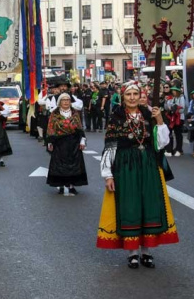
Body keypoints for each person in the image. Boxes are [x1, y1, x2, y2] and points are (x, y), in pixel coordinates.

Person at [96, 82, 178, 269]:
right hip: (126, 167)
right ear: (123, 97)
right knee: (130, 206)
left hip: (148, 165)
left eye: (135, 94)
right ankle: (132, 252)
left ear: (140, 95)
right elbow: (110, 146)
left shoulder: (150, 114)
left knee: (148, 205)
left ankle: (146, 251)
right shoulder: (116, 117)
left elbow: (162, 143)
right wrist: (108, 175)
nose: (132, 97)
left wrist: (159, 120)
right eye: (128, 94)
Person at [46, 93, 87, 195]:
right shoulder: (54, 114)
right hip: (59, 142)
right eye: (63, 100)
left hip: (73, 142)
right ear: (60, 102)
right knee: (60, 165)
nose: (66, 102)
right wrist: (50, 142)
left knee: (74, 165)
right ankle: (61, 185)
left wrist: (82, 140)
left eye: (68, 100)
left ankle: (72, 186)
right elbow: (51, 128)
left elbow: (80, 128)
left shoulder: (75, 113)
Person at [163, 85, 186, 157]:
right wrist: (166, 102)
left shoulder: (181, 98)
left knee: (178, 133)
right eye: (172, 90)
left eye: (175, 90)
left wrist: (175, 108)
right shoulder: (171, 98)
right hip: (172, 118)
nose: (173, 92)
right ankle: (171, 149)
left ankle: (179, 149)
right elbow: (166, 107)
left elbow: (182, 109)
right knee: (170, 133)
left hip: (179, 118)